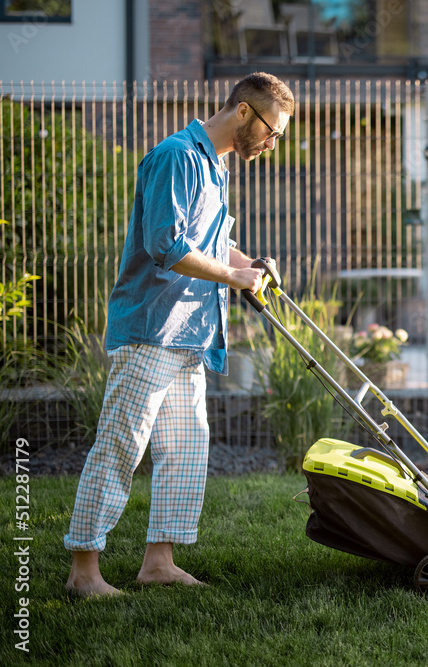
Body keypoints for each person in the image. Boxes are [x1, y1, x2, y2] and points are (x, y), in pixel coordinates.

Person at [64, 72, 294, 597]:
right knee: (121, 447)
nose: (273, 142)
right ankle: (83, 572)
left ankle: (158, 563)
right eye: (272, 130)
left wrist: (248, 264)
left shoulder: (216, 168)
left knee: (185, 449)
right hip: (152, 327)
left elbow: (212, 242)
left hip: (190, 332)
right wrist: (232, 277)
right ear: (243, 112)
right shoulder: (176, 157)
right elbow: (166, 245)